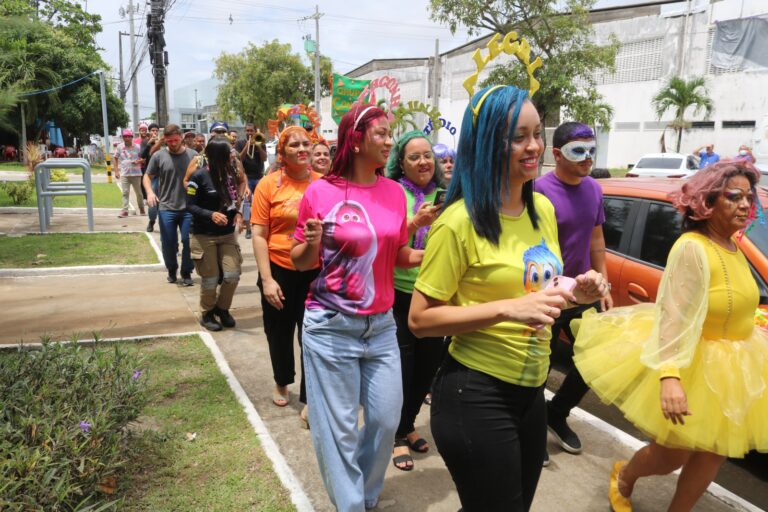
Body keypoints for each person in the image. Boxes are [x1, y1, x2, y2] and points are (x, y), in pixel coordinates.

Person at [407, 85, 608, 512]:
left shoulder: (542, 209)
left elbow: (542, 291)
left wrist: (577, 290)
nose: (534, 146)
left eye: (537, 133)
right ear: (487, 142)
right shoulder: (458, 223)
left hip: (531, 391)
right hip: (474, 393)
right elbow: (420, 320)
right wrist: (507, 309)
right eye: (519, 137)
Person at [573, 160, 768, 512]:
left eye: (747, 197)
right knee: (672, 455)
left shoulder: (734, 245)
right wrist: (670, 376)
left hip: (734, 369)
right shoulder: (693, 247)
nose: (744, 205)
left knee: (714, 454)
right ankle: (625, 476)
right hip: (693, 365)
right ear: (707, 202)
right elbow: (673, 315)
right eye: (733, 196)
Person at [290, 104, 423, 511]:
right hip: (330, 327)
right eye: (381, 133)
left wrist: (440, 253)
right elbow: (300, 260)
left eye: (390, 134)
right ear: (356, 138)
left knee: (385, 421)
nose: (389, 141)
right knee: (339, 431)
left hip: (381, 327)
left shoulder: (393, 193)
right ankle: (353, 506)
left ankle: (363, 494)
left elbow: (398, 255)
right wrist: (312, 240)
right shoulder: (319, 192)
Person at [534, 122, 612, 464]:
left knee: (596, 361)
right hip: (546, 293)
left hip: (583, 295)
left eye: (591, 151)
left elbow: (596, 240)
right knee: (539, 366)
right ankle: (532, 430)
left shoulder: (594, 189)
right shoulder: (537, 191)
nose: (587, 158)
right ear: (556, 154)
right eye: (578, 151)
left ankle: (557, 412)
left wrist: (604, 283)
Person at [251, 126, 322, 424]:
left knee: (313, 335)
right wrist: (267, 279)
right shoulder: (268, 185)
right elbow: (258, 234)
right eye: (294, 145)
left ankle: (310, 397)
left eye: (307, 143)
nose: (302, 149)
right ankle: (282, 379)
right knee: (279, 332)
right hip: (278, 270)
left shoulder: (324, 184)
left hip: (315, 273)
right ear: (282, 151)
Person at [385, 130, 444, 471]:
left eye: (427, 155)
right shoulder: (393, 194)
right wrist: (416, 223)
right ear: (401, 163)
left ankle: (408, 424)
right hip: (398, 295)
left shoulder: (446, 194)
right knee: (401, 372)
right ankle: (394, 434)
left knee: (426, 370)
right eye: (414, 157)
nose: (423, 162)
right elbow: (388, 248)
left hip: (435, 295)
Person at [185, 137, 244, 331]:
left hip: (227, 235)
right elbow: (190, 206)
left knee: (232, 274)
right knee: (210, 277)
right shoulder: (198, 177)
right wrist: (211, 215)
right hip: (204, 235)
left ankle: (222, 309)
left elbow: (233, 200)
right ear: (218, 157)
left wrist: (238, 213)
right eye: (228, 155)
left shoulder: (229, 176)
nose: (232, 157)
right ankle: (207, 313)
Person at [143, 124, 198, 286]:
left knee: (189, 241)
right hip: (167, 207)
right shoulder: (159, 156)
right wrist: (150, 192)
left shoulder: (193, 155)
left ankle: (186, 272)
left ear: (181, 137)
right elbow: (147, 176)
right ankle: (172, 269)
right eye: (168, 141)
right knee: (168, 242)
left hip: (188, 208)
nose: (172, 144)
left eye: (175, 140)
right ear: (164, 140)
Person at [236, 123, 267, 240]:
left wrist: (258, 146)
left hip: (259, 176)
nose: (250, 133)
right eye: (248, 131)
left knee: (261, 203)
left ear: (255, 131)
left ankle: (260, 226)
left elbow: (264, 158)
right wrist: (247, 145)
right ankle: (248, 228)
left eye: (251, 131)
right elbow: (239, 158)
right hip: (246, 177)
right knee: (247, 204)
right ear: (245, 131)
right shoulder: (240, 143)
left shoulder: (260, 141)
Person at [113, 128, 145, 218]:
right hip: (125, 174)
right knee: (125, 192)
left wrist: (139, 161)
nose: (127, 138)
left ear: (132, 137)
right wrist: (116, 171)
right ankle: (125, 211)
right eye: (125, 136)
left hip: (136, 174)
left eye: (129, 136)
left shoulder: (138, 147)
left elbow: (144, 158)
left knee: (139, 193)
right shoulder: (120, 147)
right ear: (122, 137)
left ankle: (141, 208)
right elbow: (115, 158)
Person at [141, 123, 160, 232]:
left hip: (164, 175)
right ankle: (152, 221)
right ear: (149, 132)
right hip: (152, 176)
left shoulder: (162, 143)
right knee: (152, 200)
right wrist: (149, 144)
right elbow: (142, 155)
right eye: (152, 130)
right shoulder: (145, 142)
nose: (154, 132)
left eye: (156, 130)